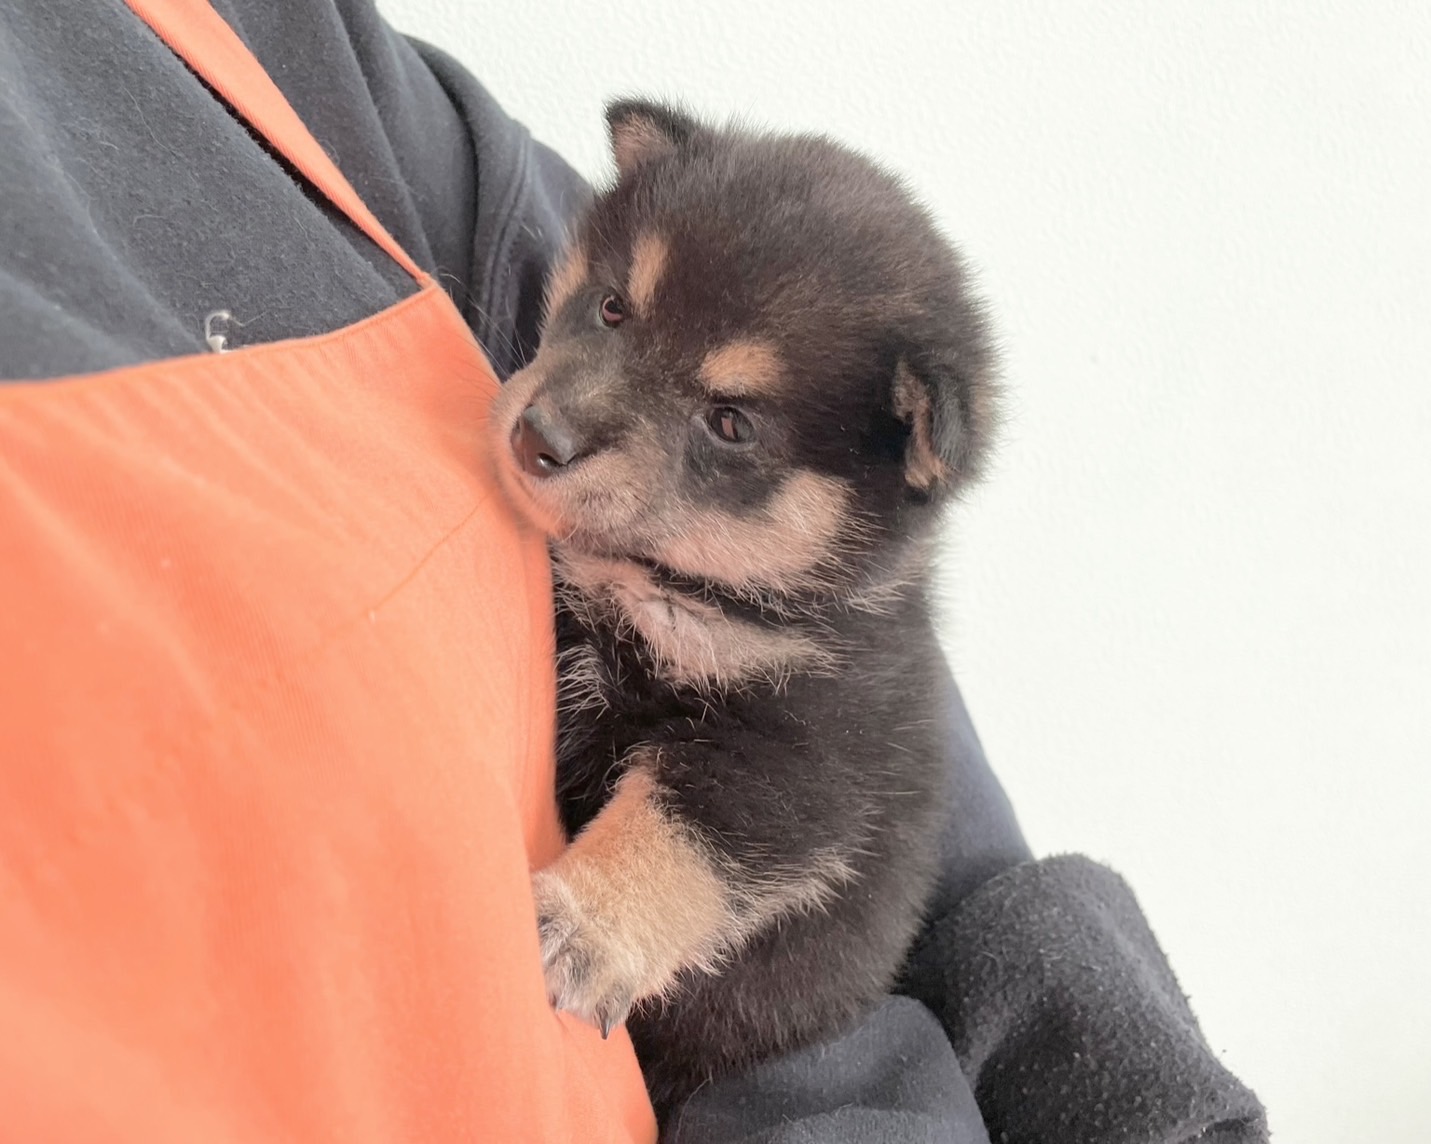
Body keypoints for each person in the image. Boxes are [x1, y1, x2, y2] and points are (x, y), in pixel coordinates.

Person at [0, 2, 1267, 1141]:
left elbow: (788, 805)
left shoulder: (342, 101)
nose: (560, 417)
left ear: (903, 461)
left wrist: (615, 913)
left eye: (728, 425)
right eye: (610, 312)